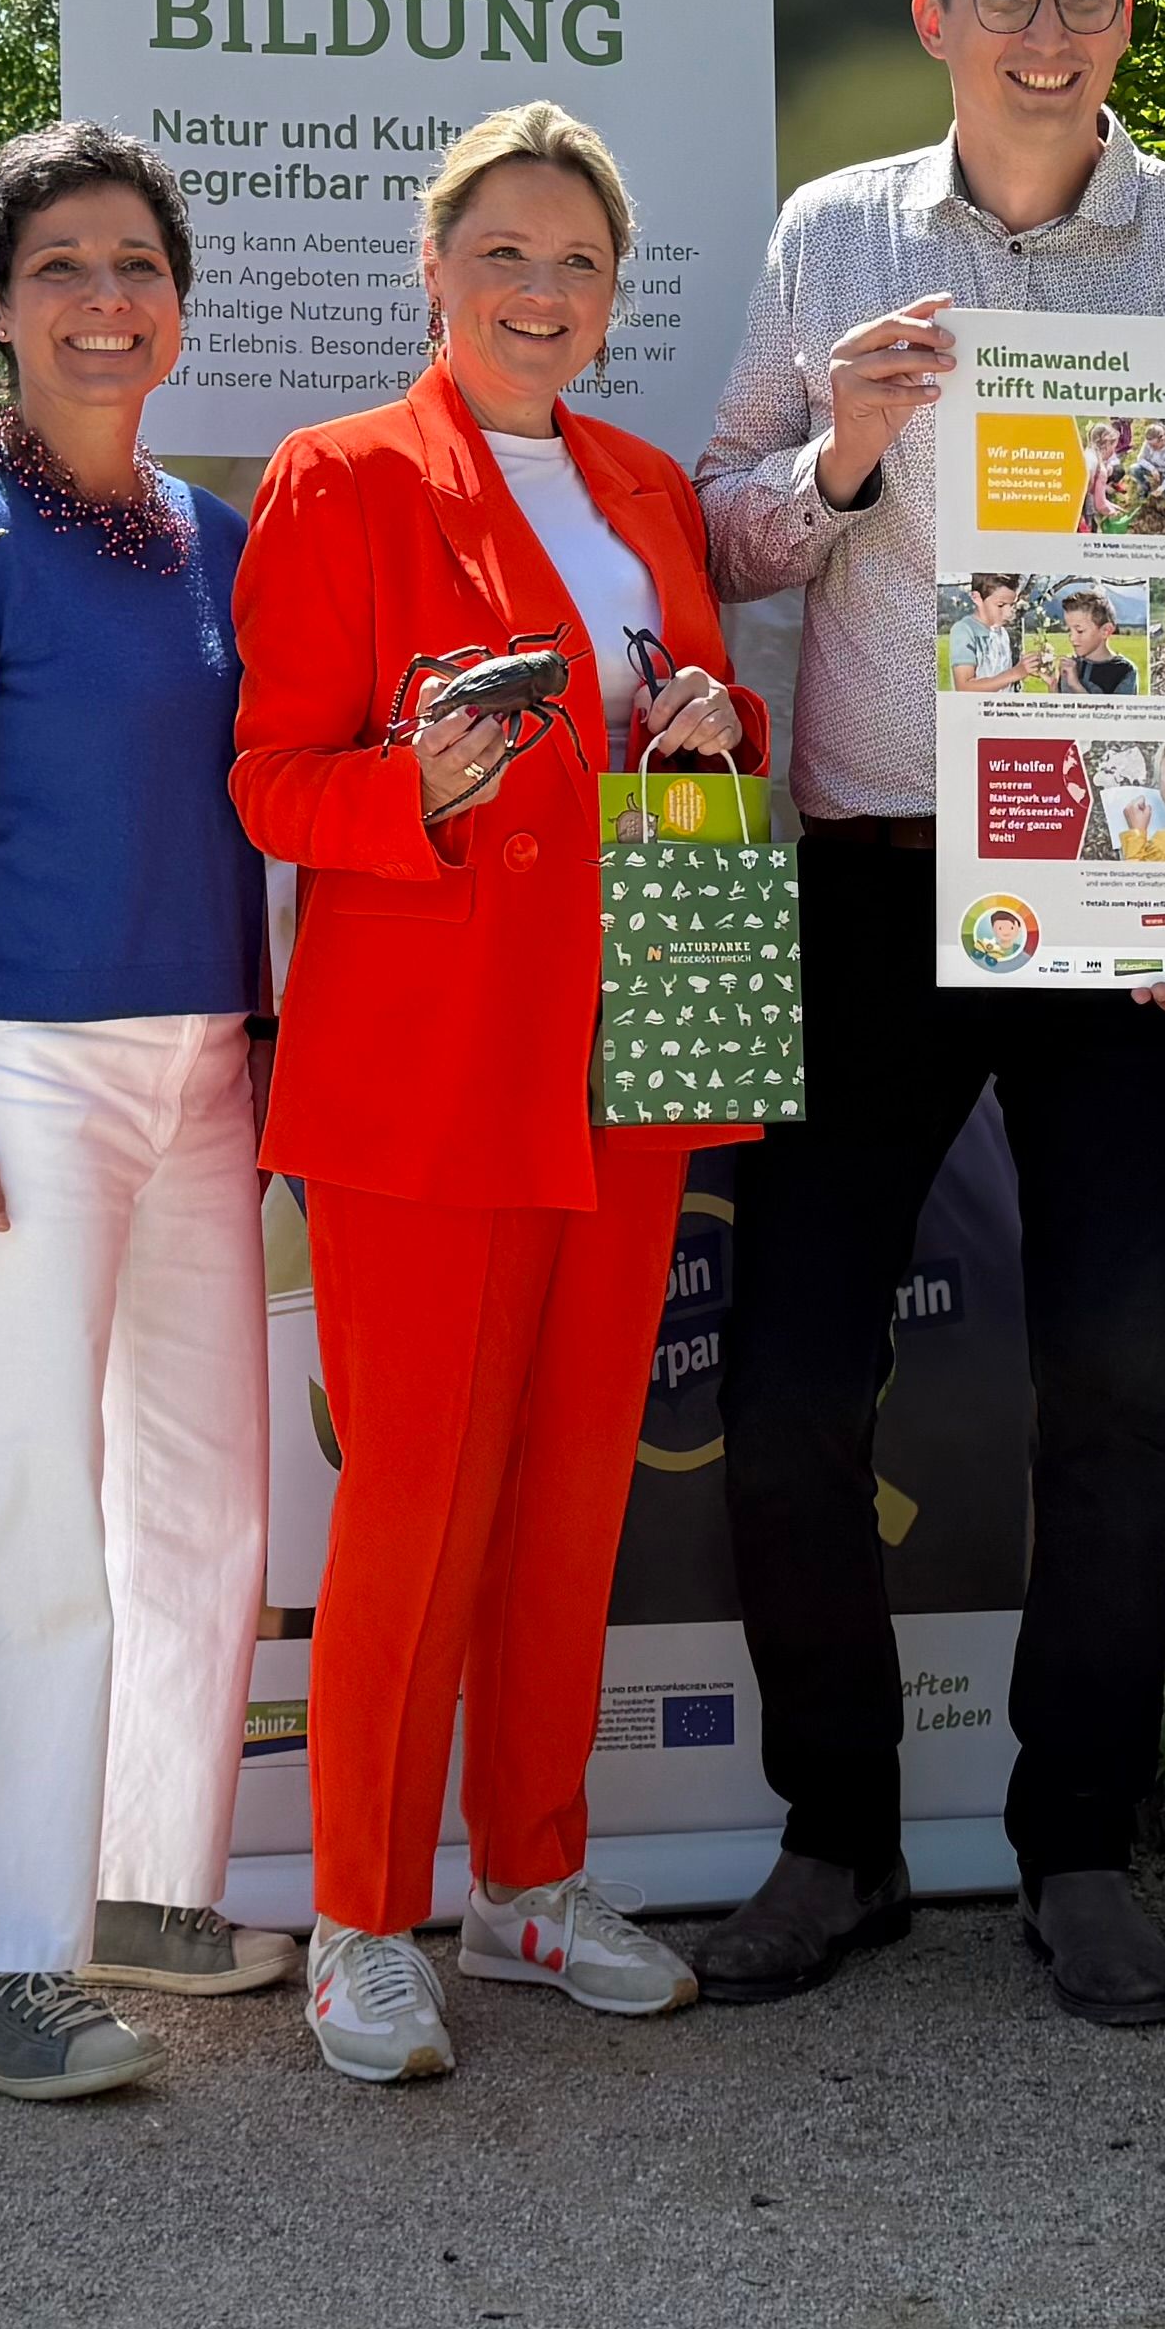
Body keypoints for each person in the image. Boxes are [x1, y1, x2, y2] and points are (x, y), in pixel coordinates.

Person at [690, 0, 1165, 2028]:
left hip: (1128, 881)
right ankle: (836, 1833)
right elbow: (720, 521)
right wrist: (842, 451)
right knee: (785, 1381)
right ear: (935, 16)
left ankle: (1082, 1845)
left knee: (1120, 1378)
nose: (1048, 33)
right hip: (871, 862)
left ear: (1124, 17)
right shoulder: (830, 234)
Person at [231, 102, 772, 2086]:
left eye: (578, 264)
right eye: (505, 256)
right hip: (428, 1072)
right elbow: (271, 776)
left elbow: (698, 728)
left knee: (570, 1495)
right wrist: (420, 790)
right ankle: (361, 1916)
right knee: (415, 1503)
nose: (542, 294)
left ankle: (531, 1880)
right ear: (434, 270)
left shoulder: (644, 486)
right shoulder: (341, 476)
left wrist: (715, 715)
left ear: (617, 293)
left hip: (630, 1055)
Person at [0, 124, 289, 2107]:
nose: (105, 301)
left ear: (176, 303)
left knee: (204, 1505)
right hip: (20, 1066)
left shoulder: (214, 539)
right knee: (14, 1506)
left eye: (136, 267)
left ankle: (131, 1884)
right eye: (61, 270)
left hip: (206, 1060)